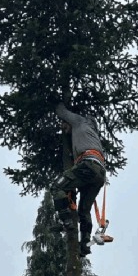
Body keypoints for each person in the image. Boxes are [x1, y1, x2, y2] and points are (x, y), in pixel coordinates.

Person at [54, 101, 106, 256]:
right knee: (84, 210)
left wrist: (55, 101)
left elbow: (61, 111)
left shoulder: (79, 122)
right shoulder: (91, 133)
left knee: (57, 187)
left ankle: (67, 222)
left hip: (88, 165)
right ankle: (85, 244)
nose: (64, 128)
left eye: (64, 125)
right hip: (99, 173)